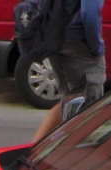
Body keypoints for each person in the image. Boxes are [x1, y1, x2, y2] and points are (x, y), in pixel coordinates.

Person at [30, 0, 104, 143]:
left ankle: (33, 149)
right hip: (79, 44)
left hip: (55, 41)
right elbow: (89, 14)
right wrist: (96, 47)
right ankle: (69, 151)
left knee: (69, 99)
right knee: (88, 106)